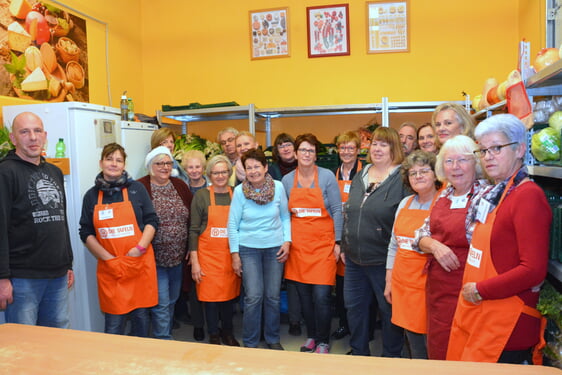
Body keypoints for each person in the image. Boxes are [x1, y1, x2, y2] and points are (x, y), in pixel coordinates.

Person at [447, 114, 551, 364]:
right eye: (483, 150)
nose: (488, 156)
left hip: (507, 324)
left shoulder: (527, 196)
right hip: (482, 316)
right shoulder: (499, 192)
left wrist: (481, 289)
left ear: (520, 150)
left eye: (496, 148)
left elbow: (533, 270)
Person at [413, 135, 488, 360]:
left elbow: (486, 243)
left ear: (475, 163)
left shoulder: (485, 196)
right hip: (438, 288)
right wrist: (435, 246)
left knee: (466, 347)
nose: (455, 167)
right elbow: (420, 236)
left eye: (462, 160)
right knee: (439, 344)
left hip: (469, 286)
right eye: (448, 161)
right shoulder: (444, 194)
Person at [0, 112, 74, 327]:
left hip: (58, 275)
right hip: (23, 278)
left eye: (37, 131)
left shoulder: (54, 172)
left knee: (57, 340)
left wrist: (68, 262)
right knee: (26, 346)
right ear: (13, 139)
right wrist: (2, 277)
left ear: (45, 135)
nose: (32, 137)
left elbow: (62, 220)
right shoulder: (5, 173)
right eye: (24, 132)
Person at [342, 127, 409, 357]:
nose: (377, 149)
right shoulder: (361, 174)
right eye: (374, 144)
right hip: (353, 259)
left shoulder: (401, 178)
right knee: (354, 308)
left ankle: (391, 357)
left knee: (389, 310)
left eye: (384, 144)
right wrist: (344, 243)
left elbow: (406, 220)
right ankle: (359, 352)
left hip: (384, 261)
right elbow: (349, 211)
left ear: (394, 148)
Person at [79, 142, 159, 337]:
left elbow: (152, 221)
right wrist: (107, 258)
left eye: (118, 160)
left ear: (124, 165)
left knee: (141, 319)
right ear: (101, 163)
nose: (113, 164)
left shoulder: (136, 189)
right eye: (109, 159)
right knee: (114, 325)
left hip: (139, 264)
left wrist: (139, 248)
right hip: (111, 269)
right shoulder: (91, 196)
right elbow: (86, 232)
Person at [282, 133, 342, 354]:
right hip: (298, 248)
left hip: (323, 246)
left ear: (316, 154)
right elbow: (284, 215)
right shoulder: (287, 181)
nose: (307, 154)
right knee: (305, 298)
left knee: (322, 296)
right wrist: (287, 242)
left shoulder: (326, 177)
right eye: (303, 150)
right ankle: (312, 337)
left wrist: (338, 241)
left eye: (311, 150)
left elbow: (336, 210)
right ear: (295, 153)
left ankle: (323, 340)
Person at [229, 148, 291, 350]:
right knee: (253, 297)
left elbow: (285, 217)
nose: (253, 171)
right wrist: (235, 254)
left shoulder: (279, 187)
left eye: (257, 166)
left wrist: (287, 241)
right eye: (249, 168)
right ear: (244, 171)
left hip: (274, 248)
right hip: (249, 249)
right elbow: (232, 224)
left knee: (272, 296)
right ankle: (250, 342)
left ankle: (273, 339)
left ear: (265, 168)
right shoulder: (239, 192)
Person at [383, 150, 442, 359]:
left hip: (430, 286)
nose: (418, 176)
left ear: (435, 174)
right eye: (413, 173)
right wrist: (389, 282)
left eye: (424, 171)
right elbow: (393, 245)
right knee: (413, 341)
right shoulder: (404, 203)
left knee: (432, 343)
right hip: (403, 284)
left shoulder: (444, 203)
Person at [138, 146, 192, 340]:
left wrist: (190, 248)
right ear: (150, 166)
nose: (164, 167)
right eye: (159, 163)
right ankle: (163, 340)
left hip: (178, 257)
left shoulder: (180, 186)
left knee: (171, 300)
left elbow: (191, 219)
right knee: (161, 303)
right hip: (153, 258)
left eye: (168, 162)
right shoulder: (140, 187)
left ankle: (164, 335)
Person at [190, 155, 241, 346]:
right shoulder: (201, 196)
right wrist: (195, 261)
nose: (220, 176)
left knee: (228, 298)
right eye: (216, 172)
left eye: (224, 171)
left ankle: (228, 332)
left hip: (230, 256)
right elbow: (193, 230)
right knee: (210, 299)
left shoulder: (237, 193)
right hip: (207, 256)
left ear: (229, 173)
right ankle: (213, 334)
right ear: (209, 174)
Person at [267, 133, 300, 336]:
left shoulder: (305, 167)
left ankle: (296, 318)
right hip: (277, 228)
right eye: (281, 146)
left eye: (288, 144)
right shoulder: (272, 171)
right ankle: (284, 317)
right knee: (280, 278)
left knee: (296, 277)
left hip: (303, 228)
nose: (286, 148)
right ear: (276, 151)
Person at [331, 130, 363, 340]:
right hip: (339, 236)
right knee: (342, 289)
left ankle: (362, 329)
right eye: (343, 147)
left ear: (358, 151)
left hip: (358, 235)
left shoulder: (365, 173)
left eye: (351, 147)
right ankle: (344, 324)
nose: (346, 151)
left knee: (360, 291)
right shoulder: (333, 174)